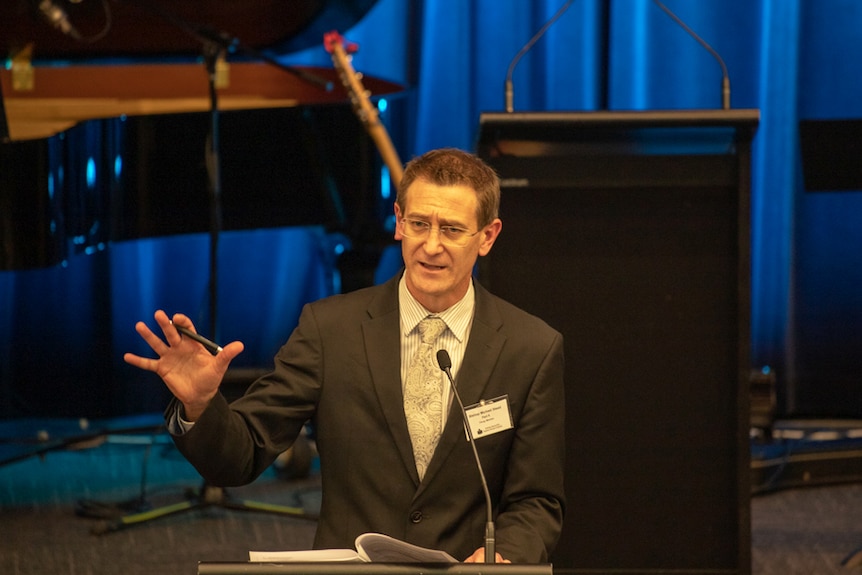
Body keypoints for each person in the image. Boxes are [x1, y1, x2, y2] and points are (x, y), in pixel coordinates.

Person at [124, 148, 566, 563]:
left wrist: (502, 555)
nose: (431, 245)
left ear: (487, 236)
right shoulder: (329, 330)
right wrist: (201, 406)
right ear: (397, 222)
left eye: (451, 229)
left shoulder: (531, 348)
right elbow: (241, 456)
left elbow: (536, 501)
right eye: (418, 224)